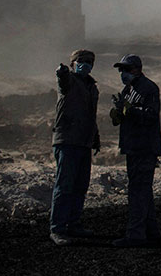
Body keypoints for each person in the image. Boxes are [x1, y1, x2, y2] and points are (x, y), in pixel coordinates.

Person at [109, 54, 161, 248]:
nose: (123, 73)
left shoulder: (148, 88)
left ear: (137, 69)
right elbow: (125, 116)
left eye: (127, 69)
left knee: (137, 191)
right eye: (121, 70)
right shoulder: (128, 90)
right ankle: (151, 231)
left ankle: (135, 235)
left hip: (144, 147)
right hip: (133, 147)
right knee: (142, 190)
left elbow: (150, 116)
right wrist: (119, 113)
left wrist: (129, 110)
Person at [49, 49, 100, 246]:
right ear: (72, 64)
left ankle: (73, 223)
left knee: (80, 186)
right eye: (81, 61)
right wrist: (61, 72)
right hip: (67, 141)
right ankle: (58, 229)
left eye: (89, 62)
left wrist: (95, 137)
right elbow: (62, 82)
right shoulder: (69, 81)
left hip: (84, 142)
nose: (85, 64)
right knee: (65, 185)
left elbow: (90, 114)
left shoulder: (91, 87)